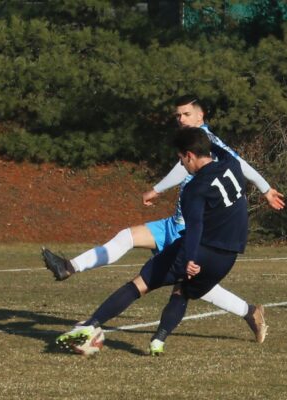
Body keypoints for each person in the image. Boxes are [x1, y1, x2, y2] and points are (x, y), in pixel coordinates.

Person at [42, 95, 282, 343]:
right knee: (128, 238)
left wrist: (265, 189)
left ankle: (249, 312)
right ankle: (69, 268)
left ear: (201, 116)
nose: (181, 119)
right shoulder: (190, 142)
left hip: (189, 232)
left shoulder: (207, 142)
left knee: (189, 286)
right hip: (173, 223)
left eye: (186, 114)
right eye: (178, 115)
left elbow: (237, 164)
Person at [56, 127, 252, 355]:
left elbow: (195, 227)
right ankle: (159, 340)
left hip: (200, 251)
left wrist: (189, 258)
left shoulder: (194, 189)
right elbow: (224, 151)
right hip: (227, 258)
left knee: (140, 284)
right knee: (183, 291)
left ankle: (91, 325)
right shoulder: (232, 165)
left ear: (189, 155)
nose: (182, 165)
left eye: (181, 159)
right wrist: (207, 140)